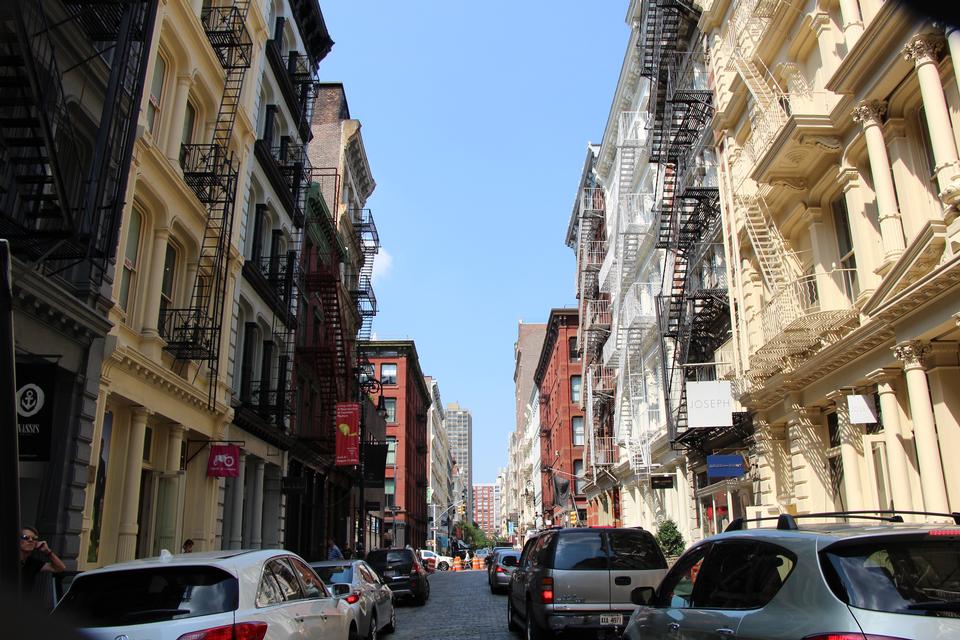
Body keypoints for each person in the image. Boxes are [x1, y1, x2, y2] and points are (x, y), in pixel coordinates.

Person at [19, 526, 65, 592]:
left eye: (34, 538)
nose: (30, 540)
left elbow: (60, 568)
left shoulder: (32, 562)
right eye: (25, 537)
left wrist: (47, 551)